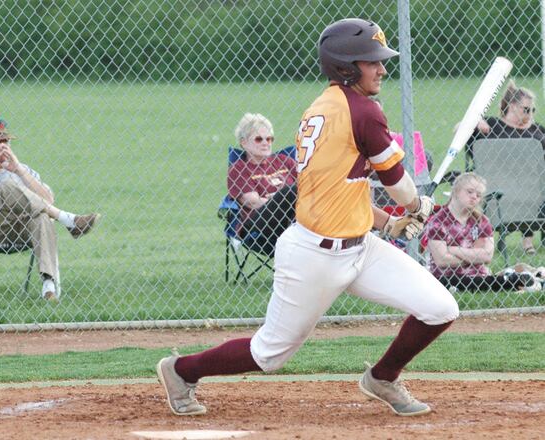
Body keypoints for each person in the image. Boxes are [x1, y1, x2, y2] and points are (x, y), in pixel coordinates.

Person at [156, 18, 458, 418]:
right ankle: (181, 370)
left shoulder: (324, 108)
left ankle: (383, 377)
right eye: (372, 62)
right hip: (314, 256)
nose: (382, 69)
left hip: (360, 248)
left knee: (440, 308)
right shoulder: (362, 111)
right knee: (269, 354)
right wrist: (415, 206)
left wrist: (387, 223)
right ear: (346, 66)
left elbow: (340, 189)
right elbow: (401, 187)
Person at [0, 118, 101, 301]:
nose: (2, 146)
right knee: (6, 187)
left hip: (18, 230)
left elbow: (48, 200)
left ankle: (48, 287)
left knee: (42, 217)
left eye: (5, 141)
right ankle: (67, 219)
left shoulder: (23, 170)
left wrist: (19, 170)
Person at [424, 172, 541, 292]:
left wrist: (452, 250)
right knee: (457, 281)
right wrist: (474, 256)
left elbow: (487, 256)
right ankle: (517, 281)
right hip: (446, 278)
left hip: (478, 276)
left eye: (478, 195)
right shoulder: (438, 221)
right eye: (469, 192)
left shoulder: (481, 221)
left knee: (486, 279)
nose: (474, 197)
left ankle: (521, 279)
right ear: (455, 192)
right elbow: (442, 260)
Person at [465, 81, 545, 254]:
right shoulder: (491, 125)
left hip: (533, 188)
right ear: (512, 106)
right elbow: (460, 131)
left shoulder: (538, 129)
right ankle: (527, 241)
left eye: (533, 110)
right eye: (526, 109)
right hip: (500, 190)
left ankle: (528, 240)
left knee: (533, 185)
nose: (530, 114)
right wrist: (474, 123)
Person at [228, 113, 297, 256]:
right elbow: (253, 202)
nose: (266, 143)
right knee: (291, 191)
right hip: (259, 226)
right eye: (259, 139)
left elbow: (310, 187)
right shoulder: (239, 169)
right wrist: (282, 199)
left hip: (297, 219)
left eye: (269, 138)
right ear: (244, 143)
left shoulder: (285, 161)